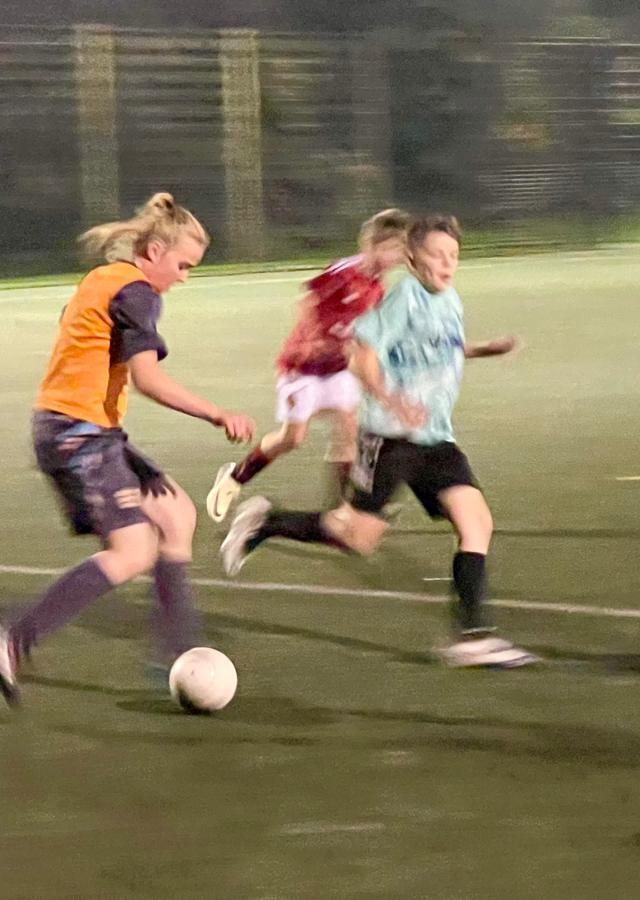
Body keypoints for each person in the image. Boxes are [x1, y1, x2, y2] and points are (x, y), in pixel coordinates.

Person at [219, 214, 533, 668]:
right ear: (412, 258)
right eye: (436, 255)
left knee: (476, 522)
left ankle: (472, 636)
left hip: (436, 439)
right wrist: (393, 398)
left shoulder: (450, 301)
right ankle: (267, 520)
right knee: (356, 538)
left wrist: (485, 349)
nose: (446, 264)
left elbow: (441, 347)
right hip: (389, 440)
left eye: (453, 256)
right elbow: (360, 356)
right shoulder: (403, 297)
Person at [0, 193, 255, 706]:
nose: (183, 278)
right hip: (76, 435)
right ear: (153, 252)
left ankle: (172, 654)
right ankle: (15, 635)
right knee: (132, 552)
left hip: (85, 430)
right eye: (182, 266)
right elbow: (147, 378)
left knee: (176, 516)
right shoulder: (138, 293)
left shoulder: (103, 278)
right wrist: (216, 412)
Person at [205, 209, 412, 522]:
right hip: (302, 368)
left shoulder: (377, 287)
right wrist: (312, 339)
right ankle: (235, 477)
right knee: (293, 439)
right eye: (394, 248)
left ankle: (344, 508)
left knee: (348, 428)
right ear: (372, 245)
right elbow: (309, 300)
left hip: (338, 368)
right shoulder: (345, 271)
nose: (398, 256)